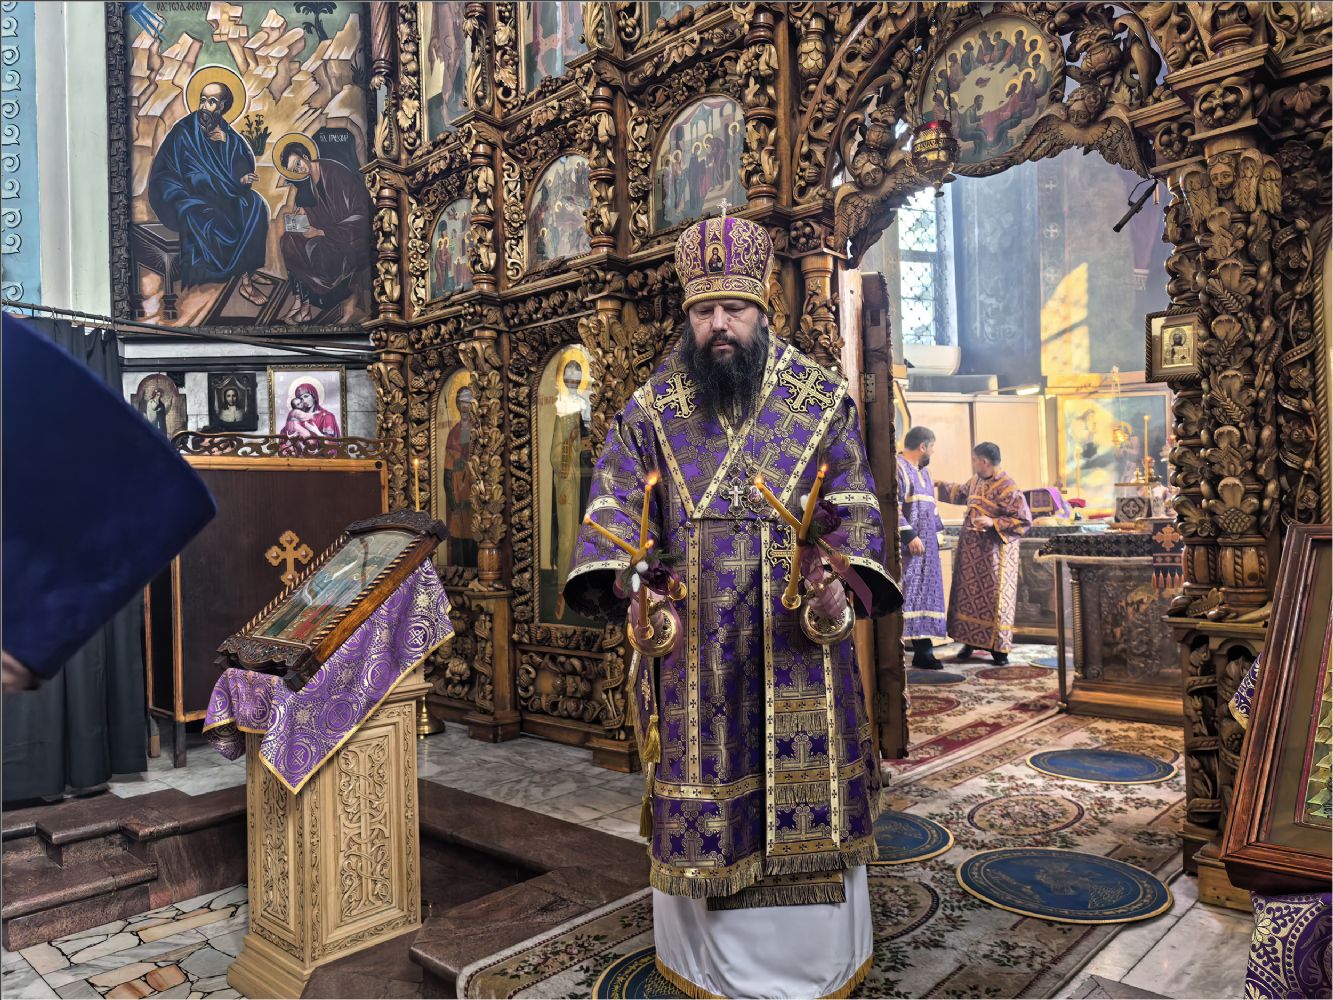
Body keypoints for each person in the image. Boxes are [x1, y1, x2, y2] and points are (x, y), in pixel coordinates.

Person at [563, 214, 901, 999]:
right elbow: (614, 506)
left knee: (806, 787)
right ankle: (706, 960)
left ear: (763, 308)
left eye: (734, 309)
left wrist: (837, 577)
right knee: (705, 778)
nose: (719, 324)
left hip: (798, 640)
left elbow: (855, 506)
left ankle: (813, 960)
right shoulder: (650, 408)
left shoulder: (818, 399)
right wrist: (635, 580)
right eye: (704, 310)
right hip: (696, 647)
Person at [148, 80, 269, 305]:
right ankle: (244, 281)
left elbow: (240, 165)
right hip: (183, 193)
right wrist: (218, 182)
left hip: (219, 191)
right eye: (202, 100)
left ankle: (248, 268)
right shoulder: (184, 131)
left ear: (222, 106)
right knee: (209, 216)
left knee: (255, 204)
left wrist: (231, 156)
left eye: (211, 101)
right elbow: (180, 173)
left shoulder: (226, 133)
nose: (204, 106)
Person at [935, 442, 1032, 665]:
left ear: (984, 461)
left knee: (993, 601)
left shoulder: (1008, 487)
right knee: (968, 596)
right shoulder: (976, 481)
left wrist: (993, 522)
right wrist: (936, 484)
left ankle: (999, 649)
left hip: (995, 557)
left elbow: (1024, 520)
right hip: (971, 555)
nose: (973, 463)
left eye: (974, 459)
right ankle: (970, 641)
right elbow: (959, 492)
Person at [277, 141, 373, 323]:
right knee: (289, 239)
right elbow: (319, 210)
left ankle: (312, 305)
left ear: (306, 156)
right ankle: (302, 302)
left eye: (298, 163)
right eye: (294, 169)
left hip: (349, 233)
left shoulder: (334, 173)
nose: (298, 169)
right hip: (329, 230)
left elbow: (356, 215)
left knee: (311, 248)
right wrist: (303, 216)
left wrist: (321, 231)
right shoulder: (310, 180)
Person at [897, 426, 946, 669]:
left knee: (927, 597)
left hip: (928, 551)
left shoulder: (925, 472)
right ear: (922, 446)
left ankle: (923, 651)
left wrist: (938, 537)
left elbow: (932, 509)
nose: (933, 452)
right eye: (932, 447)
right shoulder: (897, 468)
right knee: (909, 596)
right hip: (909, 550)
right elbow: (891, 506)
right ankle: (911, 652)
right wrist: (909, 535)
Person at [550, 360, 592, 617]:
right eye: (570, 377)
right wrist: (570, 441)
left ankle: (584, 588)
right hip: (569, 480)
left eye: (578, 377)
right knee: (567, 536)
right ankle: (562, 591)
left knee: (586, 532)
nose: (574, 381)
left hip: (586, 476)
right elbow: (555, 454)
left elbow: (589, 443)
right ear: (564, 380)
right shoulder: (563, 409)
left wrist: (585, 446)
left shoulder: (586, 406)